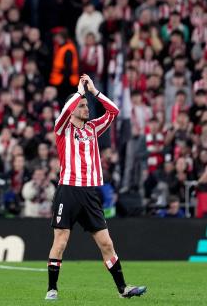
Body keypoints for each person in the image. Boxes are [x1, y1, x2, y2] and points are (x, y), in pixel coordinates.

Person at [45, 74, 146, 300]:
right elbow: (66, 111)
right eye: (82, 106)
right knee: (60, 242)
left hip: (90, 193)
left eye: (86, 105)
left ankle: (123, 289)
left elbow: (114, 112)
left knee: (106, 243)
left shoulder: (92, 128)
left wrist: (94, 92)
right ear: (71, 109)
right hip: (68, 191)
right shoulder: (62, 128)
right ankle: (52, 288)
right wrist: (79, 92)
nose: (86, 108)